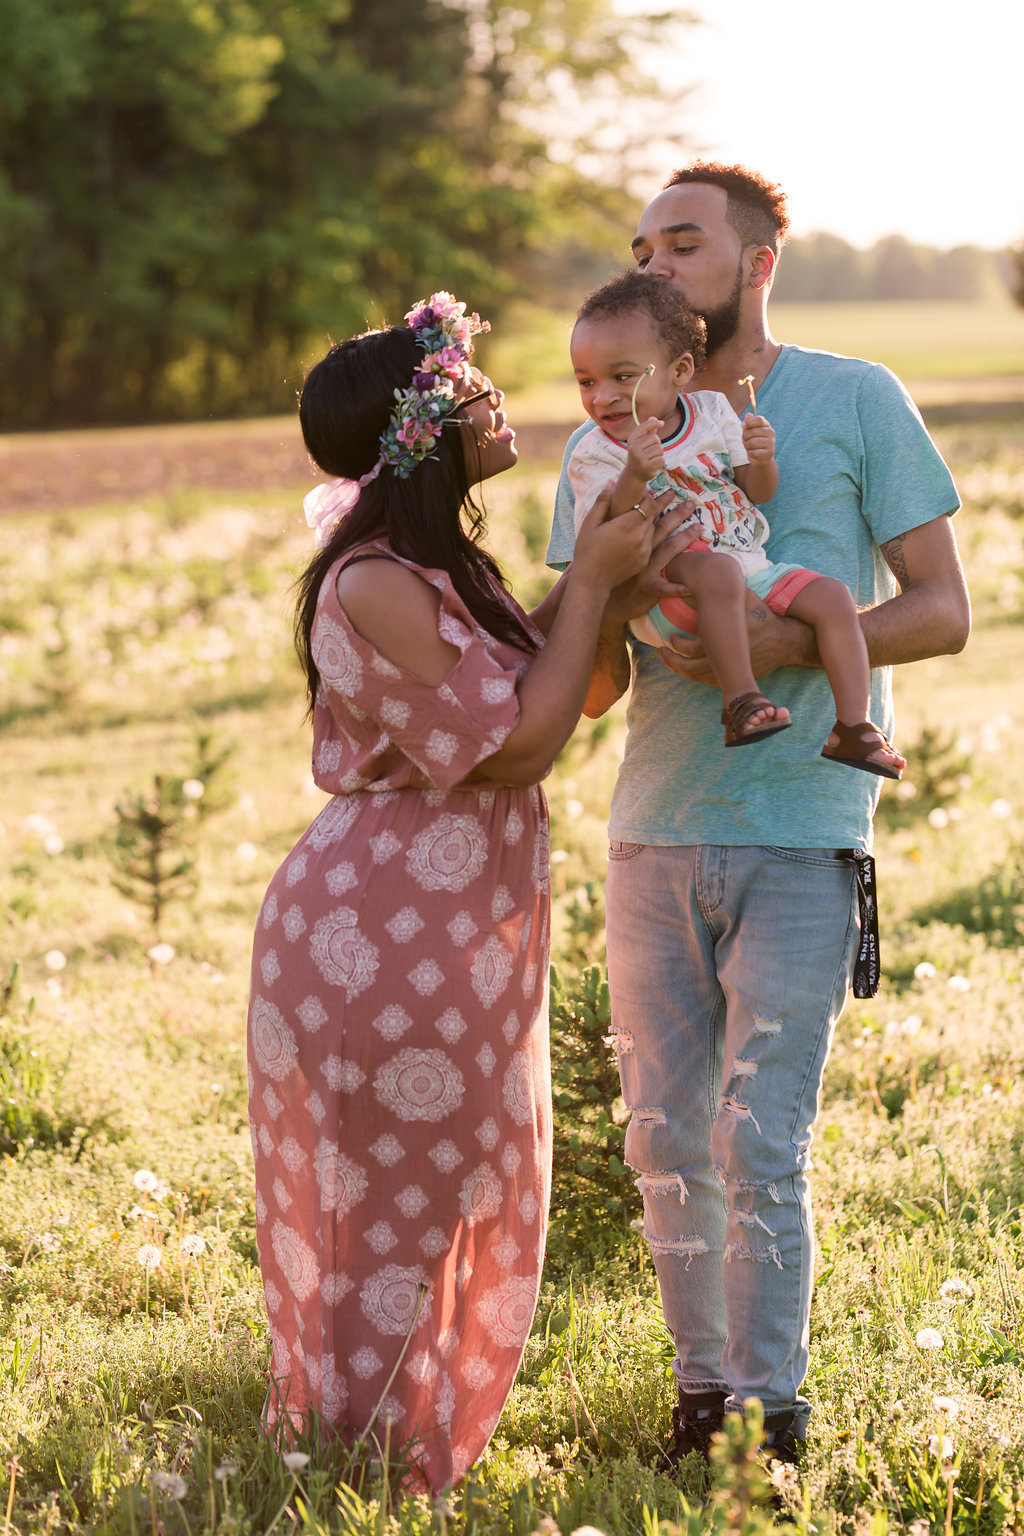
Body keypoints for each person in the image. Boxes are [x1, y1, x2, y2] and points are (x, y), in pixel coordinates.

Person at [546, 165, 970, 1466]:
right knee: (667, 1137)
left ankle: (773, 1414)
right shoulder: (601, 438)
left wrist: (780, 645)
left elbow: (944, 610)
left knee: (759, 1132)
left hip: (802, 830)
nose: (658, 265)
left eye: (687, 242)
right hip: (653, 828)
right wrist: (601, 589)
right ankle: (700, 1396)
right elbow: (602, 683)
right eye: (641, 246)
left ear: (758, 261)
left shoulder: (853, 399)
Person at [246, 290, 679, 1495]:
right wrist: (587, 580)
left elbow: (564, 697)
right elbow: (522, 748)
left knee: (455, 1180)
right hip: (376, 936)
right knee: (393, 1203)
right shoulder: (373, 582)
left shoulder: (438, 565)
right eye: (465, 385)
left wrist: (608, 571)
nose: (494, 398)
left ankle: (394, 1450)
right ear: (419, 427)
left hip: (451, 926)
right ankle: (363, 1464)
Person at [568, 271, 905, 771]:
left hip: (748, 565)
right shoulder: (595, 453)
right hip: (671, 589)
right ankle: (742, 703)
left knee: (833, 596)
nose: (603, 397)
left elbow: (757, 492)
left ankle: (854, 727)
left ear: (679, 370)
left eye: (623, 377)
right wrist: (635, 475)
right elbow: (606, 542)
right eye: (586, 382)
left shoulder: (710, 414)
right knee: (719, 570)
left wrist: (762, 458)